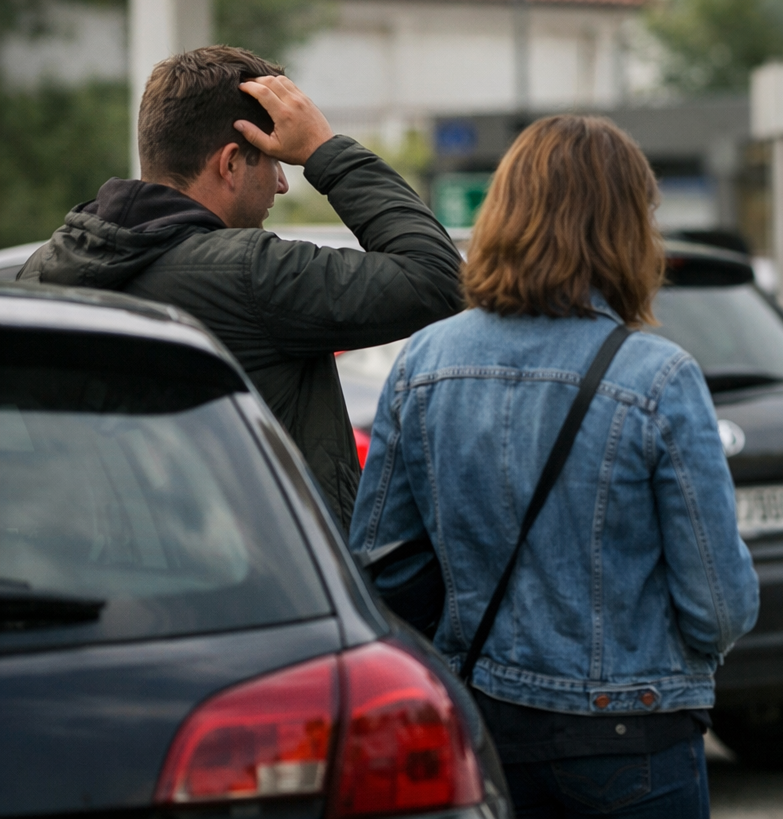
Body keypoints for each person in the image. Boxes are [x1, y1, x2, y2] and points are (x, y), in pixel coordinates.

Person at [350, 115, 759, 819]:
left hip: (483, 725)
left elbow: (379, 562)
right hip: (631, 734)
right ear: (627, 231)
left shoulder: (424, 361)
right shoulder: (659, 376)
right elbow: (720, 606)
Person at [19, 46, 462, 529]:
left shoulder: (39, 273)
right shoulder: (251, 274)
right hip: (267, 590)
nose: (281, 185)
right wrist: (324, 152)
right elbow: (436, 277)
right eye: (274, 162)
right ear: (230, 164)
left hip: (89, 589)